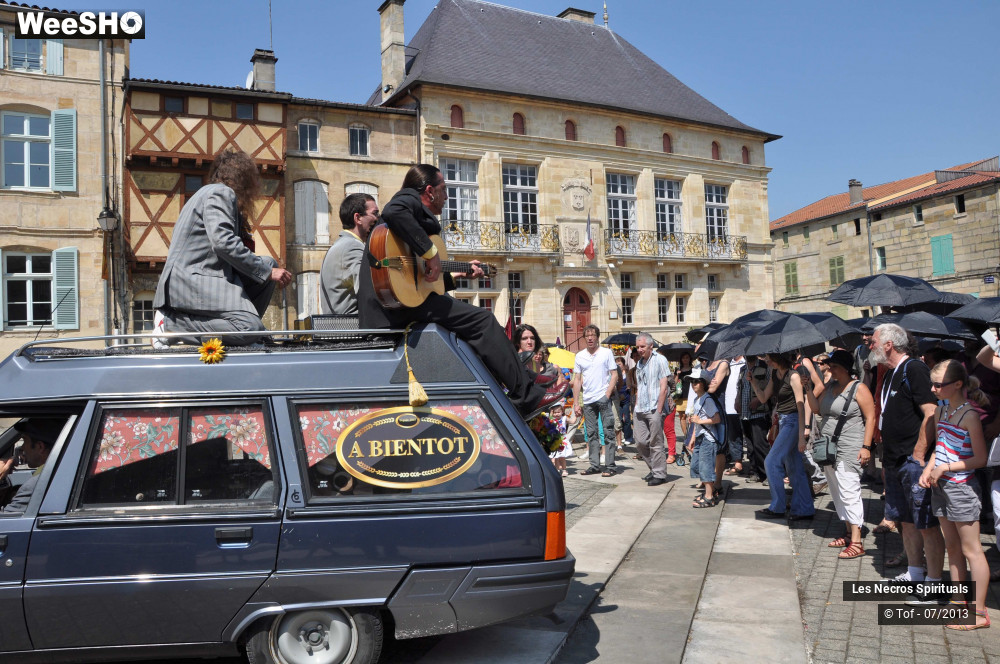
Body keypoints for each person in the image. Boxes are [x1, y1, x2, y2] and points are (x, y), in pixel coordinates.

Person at [356, 164, 562, 419]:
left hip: (399, 304)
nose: (448, 197)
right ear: (429, 191)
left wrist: (455, 274)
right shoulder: (406, 199)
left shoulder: (415, 215)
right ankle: (526, 397)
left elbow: (420, 281)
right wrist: (431, 254)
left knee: (475, 323)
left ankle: (527, 379)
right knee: (483, 321)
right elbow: (394, 213)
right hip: (393, 309)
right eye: (444, 190)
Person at [153, 149, 293, 347]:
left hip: (201, 278)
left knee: (268, 263)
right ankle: (170, 325)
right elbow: (223, 242)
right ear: (243, 179)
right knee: (249, 327)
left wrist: (266, 269)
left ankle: (245, 333)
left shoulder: (205, 194)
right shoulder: (221, 192)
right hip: (192, 282)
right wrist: (266, 272)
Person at [918, 359, 991, 628]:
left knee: (972, 550)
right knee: (952, 547)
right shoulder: (942, 411)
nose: (934, 389)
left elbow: (980, 459)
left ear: (957, 384)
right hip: (942, 486)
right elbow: (941, 446)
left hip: (962, 487)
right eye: (932, 385)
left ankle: (979, 612)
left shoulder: (970, 415)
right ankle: (958, 601)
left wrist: (944, 467)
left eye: (939, 385)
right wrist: (929, 468)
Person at [871, 323, 941, 586]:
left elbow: (931, 412)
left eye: (874, 341)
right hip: (893, 459)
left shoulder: (914, 368)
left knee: (926, 524)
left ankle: (934, 580)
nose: (871, 346)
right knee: (906, 522)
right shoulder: (891, 373)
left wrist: (920, 452)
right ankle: (915, 572)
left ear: (889, 344)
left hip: (913, 461)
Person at [805, 350, 876, 559]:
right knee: (837, 491)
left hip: (850, 446)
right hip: (828, 447)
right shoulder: (830, 386)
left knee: (849, 490)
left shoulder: (858, 388)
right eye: (829, 365)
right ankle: (847, 532)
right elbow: (817, 409)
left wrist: (866, 447)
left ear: (845, 368)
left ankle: (857, 541)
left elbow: (871, 417)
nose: (829, 369)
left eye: (833, 366)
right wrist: (808, 388)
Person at [752, 352, 814, 521]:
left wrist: (802, 435)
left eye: (768, 358)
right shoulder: (775, 374)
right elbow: (764, 397)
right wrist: (754, 383)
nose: (766, 361)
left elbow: (801, 406)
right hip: (784, 420)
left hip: (794, 421)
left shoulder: (793, 376)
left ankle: (778, 506)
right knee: (794, 466)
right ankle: (805, 508)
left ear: (777, 358)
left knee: (771, 461)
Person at [320, 193, 379, 315]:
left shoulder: (342, 244)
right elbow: (368, 292)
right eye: (375, 213)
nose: (378, 219)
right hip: (352, 329)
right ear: (358, 218)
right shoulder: (352, 247)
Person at [573, 324, 618, 477]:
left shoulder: (606, 353)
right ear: (584, 338)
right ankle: (594, 465)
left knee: (608, 432)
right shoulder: (580, 356)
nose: (590, 338)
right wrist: (576, 403)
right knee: (591, 433)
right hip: (588, 400)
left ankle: (610, 465)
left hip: (603, 397)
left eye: (593, 335)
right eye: (587, 335)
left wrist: (607, 394)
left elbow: (614, 374)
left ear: (597, 337)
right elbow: (577, 379)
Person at [0, 418, 64, 513]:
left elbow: (4, 522)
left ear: (40, 447)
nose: (22, 447)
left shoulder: (35, 485)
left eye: (25, 441)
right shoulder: (59, 472)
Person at [634, 333, 671, 487]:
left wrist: (659, 409)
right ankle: (654, 468)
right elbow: (640, 386)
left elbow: (664, 386)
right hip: (640, 407)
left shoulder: (660, 360)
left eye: (642, 346)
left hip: (655, 406)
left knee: (656, 441)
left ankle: (659, 473)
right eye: (638, 347)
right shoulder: (639, 363)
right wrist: (635, 406)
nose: (640, 350)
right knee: (640, 442)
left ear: (651, 346)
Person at [687, 368, 722, 507]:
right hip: (701, 436)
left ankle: (709, 497)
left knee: (706, 467)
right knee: (698, 465)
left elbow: (716, 418)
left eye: (696, 381)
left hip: (708, 438)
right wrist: (693, 438)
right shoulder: (698, 399)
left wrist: (700, 421)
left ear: (703, 383)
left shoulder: (707, 400)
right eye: (691, 381)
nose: (693, 384)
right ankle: (711, 492)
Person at [740, 355, 771, 483]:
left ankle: (768, 474)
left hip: (759, 411)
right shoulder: (743, 369)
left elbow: (770, 387)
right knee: (750, 445)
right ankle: (755, 471)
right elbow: (740, 386)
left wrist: (759, 400)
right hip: (745, 412)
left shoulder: (764, 367)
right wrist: (737, 400)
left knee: (760, 444)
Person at [549, 402, 576, 477]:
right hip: (555, 440)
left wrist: (577, 416)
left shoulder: (564, 418)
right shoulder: (552, 419)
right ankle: (557, 470)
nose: (556, 414)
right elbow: (549, 420)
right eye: (554, 412)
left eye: (558, 412)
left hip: (562, 440)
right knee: (556, 457)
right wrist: (551, 413)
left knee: (562, 457)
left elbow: (572, 421)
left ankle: (564, 469)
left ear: (562, 412)